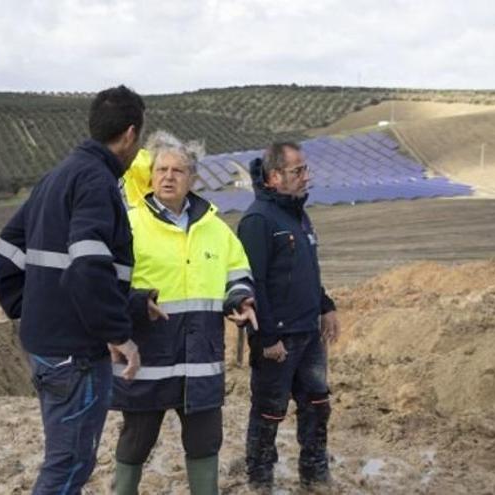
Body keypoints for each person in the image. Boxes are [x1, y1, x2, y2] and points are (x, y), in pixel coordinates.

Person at [0, 85, 164, 495]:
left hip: (49, 344)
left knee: (63, 460)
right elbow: (89, 264)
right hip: (77, 355)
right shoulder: (96, 181)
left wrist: (28, 307)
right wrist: (119, 334)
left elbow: (7, 248)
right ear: (129, 135)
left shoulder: (58, 176)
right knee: (68, 465)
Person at [111, 130, 257, 495]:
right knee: (135, 443)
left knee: (205, 442)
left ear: (193, 178)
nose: (168, 176)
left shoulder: (216, 229)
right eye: (161, 169)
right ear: (151, 174)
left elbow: (237, 272)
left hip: (201, 362)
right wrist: (136, 301)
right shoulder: (129, 224)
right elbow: (105, 283)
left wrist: (240, 299)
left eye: (178, 170)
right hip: (147, 361)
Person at [237, 142, 340, 490]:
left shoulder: (298, 215)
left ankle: (314, 473)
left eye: (305, 169)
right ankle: (260, 480)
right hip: (278, 339)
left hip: (309, 335)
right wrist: (266, 338)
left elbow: (308, 269)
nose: (305, 176)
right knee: (269, 412)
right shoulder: (258, 220)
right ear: (274, 176)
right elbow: (254, 284)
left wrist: (325, 305)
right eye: (297, 171)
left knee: (317, 404)